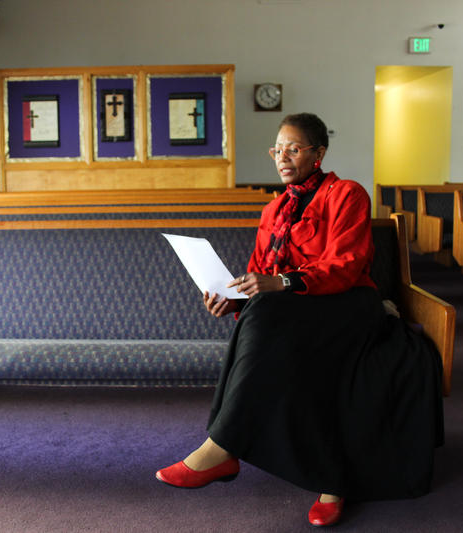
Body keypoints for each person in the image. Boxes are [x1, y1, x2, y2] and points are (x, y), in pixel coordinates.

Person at [155, 113, 444, 527]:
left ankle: (224, 448)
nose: (282, 157)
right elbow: (258, 273)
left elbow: (347, 265)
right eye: (277, 149)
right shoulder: (273, 210)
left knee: (276, 314)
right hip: (292, 310)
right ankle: (302, 471)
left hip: (349, 302)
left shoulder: (347, 194)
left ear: (318, 153)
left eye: (293, 148)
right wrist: (230, 301)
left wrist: (282, 282)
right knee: (261, 310)